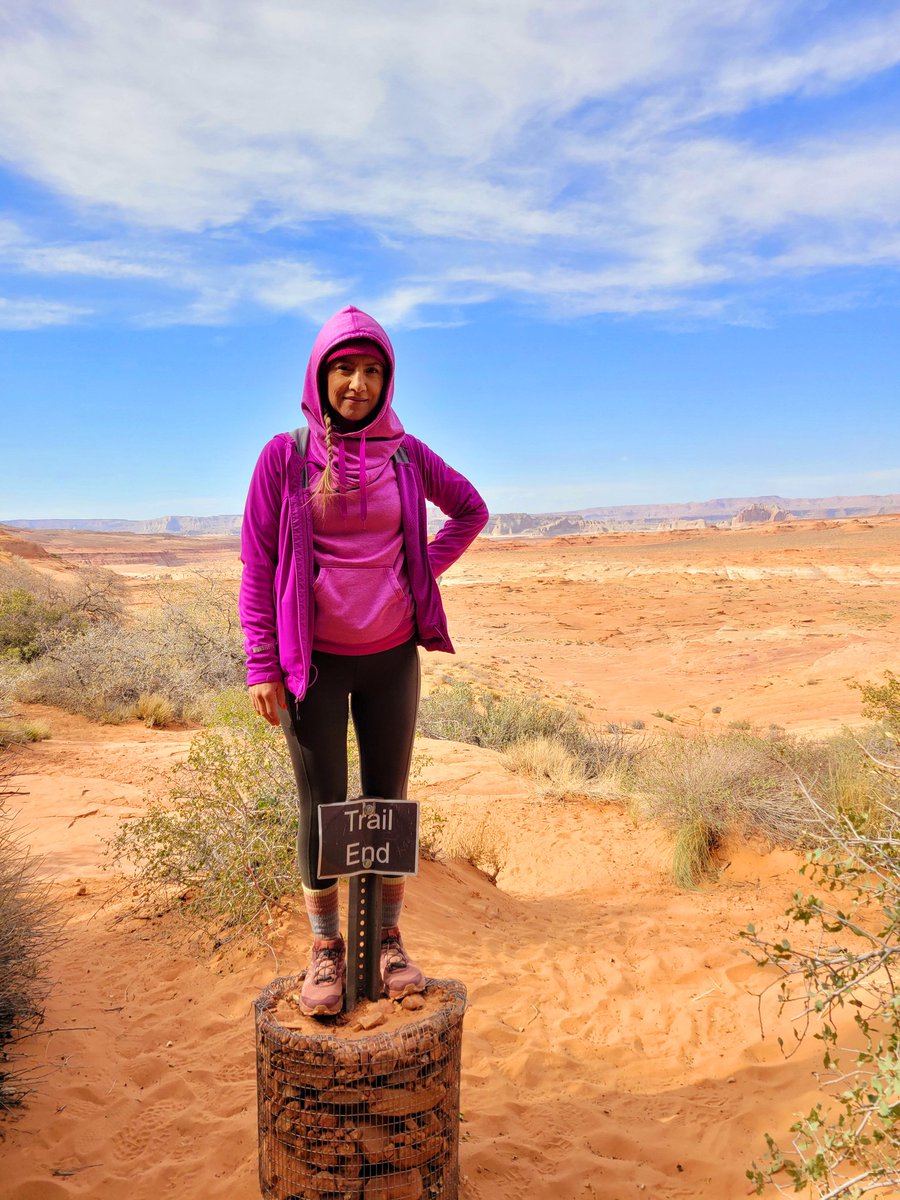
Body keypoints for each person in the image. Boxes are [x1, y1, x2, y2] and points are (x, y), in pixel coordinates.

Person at [239, 305, 488, 1016]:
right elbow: (257, 566)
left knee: (386, 804)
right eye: (344, 368)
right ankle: (324, 950)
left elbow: (470, 510)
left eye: (372, 370)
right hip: (310, 663)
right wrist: (262, 663)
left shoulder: (405, 454)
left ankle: (386, 941)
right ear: (321, 374)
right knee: (320, 807)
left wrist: (418, 575)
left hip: (390, 657)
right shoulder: (283, 456)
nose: (357, 383)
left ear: (388, 380)